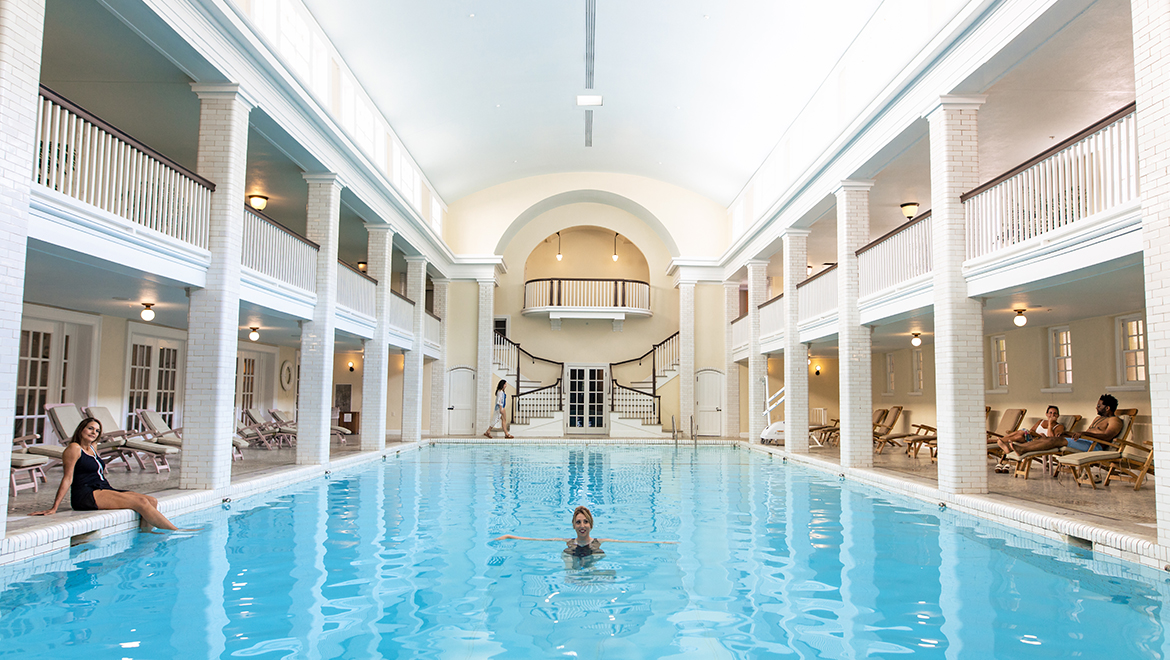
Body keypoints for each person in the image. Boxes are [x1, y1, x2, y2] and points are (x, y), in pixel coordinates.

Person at [30, 417, 181, 532]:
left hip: (102, 487)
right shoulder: (74, 448)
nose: (93, 433)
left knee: (152, 501)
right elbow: (67, 478)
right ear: (81, 429)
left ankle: (146, 535)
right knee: (141, 503)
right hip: (86, 493)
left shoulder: (93, 447)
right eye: (90, 428)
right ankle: (176, 531)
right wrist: (54, 507)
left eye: (96, 431)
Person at [495, 505, 676, 556]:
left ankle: (592, 575)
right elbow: (537, 540)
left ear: (591, 525)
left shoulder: (599, 542)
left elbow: (630, 543)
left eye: (585, 522)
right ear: (574, 525)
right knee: (567, 553)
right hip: (573, 555)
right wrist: (510, 536)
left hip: (592, 556)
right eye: (579, 522)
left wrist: (662, 543)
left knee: (597, 553)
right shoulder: (567, 542)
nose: (582, 525)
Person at [993, 405, 1066, 473]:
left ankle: (1000, 442)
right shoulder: (1041, 421)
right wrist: (1036, 434)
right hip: (1032, 438)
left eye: (1055, 413)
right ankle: (1004, 445)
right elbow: (1032, 431)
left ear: (1058, 415)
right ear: (1046, 414)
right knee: (1020, 434)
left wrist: (1050, 424)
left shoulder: (1059, 426)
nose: (1052, 415)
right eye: (1050, 413)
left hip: (1039, 443)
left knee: (1020, 433)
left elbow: (1052, 439)